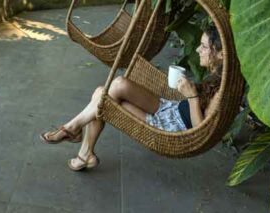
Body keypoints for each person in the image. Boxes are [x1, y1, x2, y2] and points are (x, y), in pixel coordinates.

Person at [40, 27, 223, 171]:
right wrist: (189, 93)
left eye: (205, 46)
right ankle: (82, 146)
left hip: (172, 126)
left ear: (221, 55)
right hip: (171, 108)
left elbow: (201, 132)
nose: (198, 49)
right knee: (114, 86)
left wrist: (192, 96)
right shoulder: (215, 77)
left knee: (102, 96)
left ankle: (74, 132)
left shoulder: (221, 92)